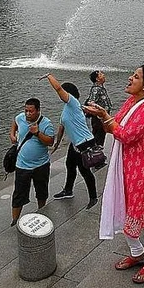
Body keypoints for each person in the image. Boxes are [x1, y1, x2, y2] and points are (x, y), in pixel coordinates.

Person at [86, 65, 144, 284]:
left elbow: (126, 135)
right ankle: (137, 252)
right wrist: (102, 117)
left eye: (136, 76)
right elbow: (113, 127)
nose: (130, 78)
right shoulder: (132, 102)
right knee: (128, 212)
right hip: (128, 168)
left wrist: (104, 116)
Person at [46, 74, 99, 210]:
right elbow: (62, 127)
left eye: (64, 92)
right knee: (70, 165)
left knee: (85, 171)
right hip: (75, 143)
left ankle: (93, 197)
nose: (60, 95)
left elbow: (58, 89)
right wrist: (57, 144)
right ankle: (68, 190)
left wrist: (49, 76)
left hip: (84, 142)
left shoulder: (74, 103)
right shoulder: (66, 109)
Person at [9, 98, 55, 224]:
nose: (28, 114)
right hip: (22, 165)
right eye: (26, 111)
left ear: (38, 111)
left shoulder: (46, 124)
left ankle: (42, 211)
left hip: (41, 165)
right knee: (19, 193)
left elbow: (50, 142)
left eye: (31, 111)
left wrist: (37, 133)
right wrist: (12, 135)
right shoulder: (21, 118)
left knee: (41, 191)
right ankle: (15, 219)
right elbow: (15, 122)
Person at [86, 70, 112, 148]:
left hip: (102, 117)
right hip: (98, 117)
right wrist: (99, 109)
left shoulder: (100, 88)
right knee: (99, 135)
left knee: (101, 135)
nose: (103, 75)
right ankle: (96, 154)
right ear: (97, 79)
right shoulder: (96, 89)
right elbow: (90, 102)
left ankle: (97, 152)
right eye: (101, 74)